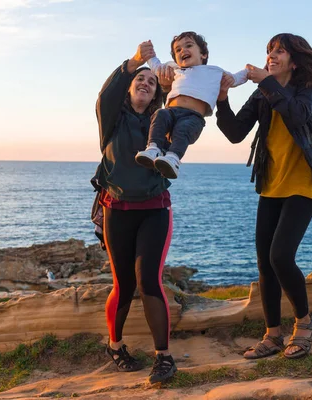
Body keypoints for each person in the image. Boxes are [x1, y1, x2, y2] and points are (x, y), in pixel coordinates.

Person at [216, 33, 312, 359]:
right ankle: (272, 336)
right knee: (265, 265)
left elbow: (296, 114)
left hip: (302, 185)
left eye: (279, 51)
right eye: (270, 50)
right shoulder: (262, 94)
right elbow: (234, 132)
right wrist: (222, 98)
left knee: (280, 256)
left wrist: (267, 83)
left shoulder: (305, 91)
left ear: (294, 61)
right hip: (271, 186)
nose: (271, 55)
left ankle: (306, 323)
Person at [95, 41, 177, 383]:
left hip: (155, 209)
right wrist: (136, 61)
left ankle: (164, 357)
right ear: (130, 86)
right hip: (117, 209)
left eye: (151, 81)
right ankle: (115, 346)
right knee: (123, 283)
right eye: (139, 79)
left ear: (158, 92)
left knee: (148, 282)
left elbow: (186, 108)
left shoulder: (165, 120)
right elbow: (106, 95)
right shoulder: (112, 118)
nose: (145, 83)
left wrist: (173, 82)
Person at [134, 32, 248, 179]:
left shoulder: (215, 71)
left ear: (204, 54)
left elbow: (235, 79)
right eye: (178, 50)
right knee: (160, 114)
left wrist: (248, 71)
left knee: (183, 130)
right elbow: (156, 67)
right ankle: (152, 149)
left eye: (188, 46)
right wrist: (149, 54)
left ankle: (173, 158)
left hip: (193, 117)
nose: (183, 51)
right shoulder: (174, 69)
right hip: (171, 111)